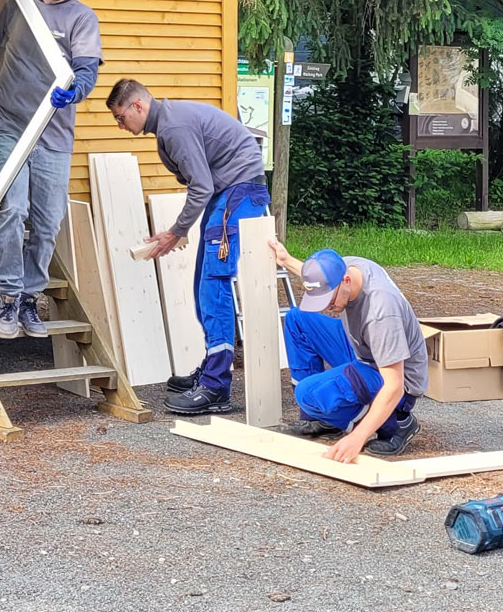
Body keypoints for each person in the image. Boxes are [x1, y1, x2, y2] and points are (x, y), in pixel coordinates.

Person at [110, 78, 268, 415]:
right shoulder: (168, 124)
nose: (120, 126)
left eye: (121, 117)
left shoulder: (174, 127)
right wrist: (178, 230)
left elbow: (200, 186)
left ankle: (215, 388)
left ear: (138, 105)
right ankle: (213, 368)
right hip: (228, 192)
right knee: (202, 286)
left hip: (239, 193)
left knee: (214, 286)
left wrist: (174, 232)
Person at [0, 0, 102, 339]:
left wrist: (76, 90)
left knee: (48, 222)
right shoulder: (18, 6)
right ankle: (9, 298)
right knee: (13, 210)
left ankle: (32, 299)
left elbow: (86, 71)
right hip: (9, 124)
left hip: (52, 131)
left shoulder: (81, 18)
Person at [267, 244, 426, 460]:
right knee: (298, 319)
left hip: (396, 379)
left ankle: (397, 423)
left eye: (329, 301)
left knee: (306, 393)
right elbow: (320, 278)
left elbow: (395, 386)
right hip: (365, 349)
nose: (326, 307)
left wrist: (358, 437)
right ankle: (323, 418)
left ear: (346, 282)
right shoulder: (347, 267)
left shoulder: (381, 312)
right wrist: (287, 261)